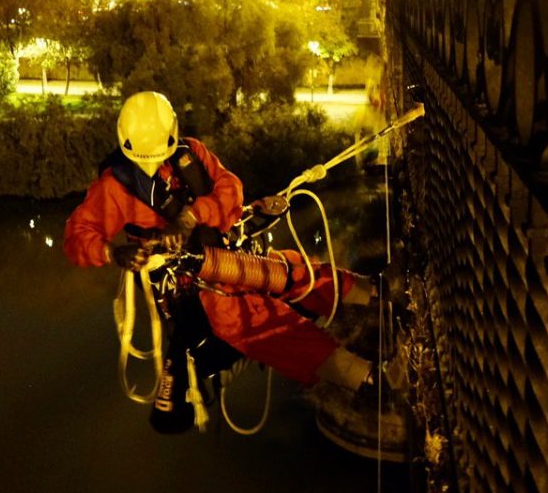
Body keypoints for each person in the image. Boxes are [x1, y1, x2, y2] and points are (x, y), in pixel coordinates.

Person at [63, 91, 386, 412]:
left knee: (294, 270)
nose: (154, 165)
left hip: (226, 249)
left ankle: (376, 295)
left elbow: (230, 190)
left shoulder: (191, 155)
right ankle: (366, 378)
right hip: (193, 284)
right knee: (261, 323)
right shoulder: (116, 187)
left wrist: (191, 217)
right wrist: (113, 252)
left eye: (159, 156)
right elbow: (77, 236)